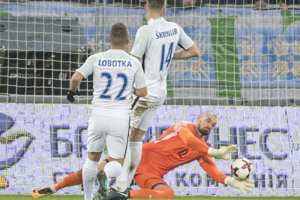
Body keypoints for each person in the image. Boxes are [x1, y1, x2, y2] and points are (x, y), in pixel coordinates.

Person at [31, 112, 254, 199]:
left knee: (168, 194)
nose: (210, 126)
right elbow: (188, 141)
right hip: (136, 156)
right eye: (208, 121)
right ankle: (54, 188)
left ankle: (124, 195)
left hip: (150, 174)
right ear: (199, 119)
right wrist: (214, 151)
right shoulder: (183, 126)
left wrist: (230, 180)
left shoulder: (201, 150)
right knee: (95, 170)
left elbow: (212, 170)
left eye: (213, 125)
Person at [110, 0, 201, 198]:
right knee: (135, 139)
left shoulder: (145, 31)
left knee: (121, 137)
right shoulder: (174, 28)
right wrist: (169, 57)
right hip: (160, 93)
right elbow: (194, 51)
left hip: (144, 93)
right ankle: (125, 184)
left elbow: (134, 62)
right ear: (164, 9)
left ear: (146, 7)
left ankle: (120, 187)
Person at [63, 22, 147, 200]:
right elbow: (142, 92)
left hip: (98, 115)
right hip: (120, 117)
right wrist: (128, 90)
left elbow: (76, 77)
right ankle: (105, 176)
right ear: (127, 41)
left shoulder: (97, 58)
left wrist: (72, 91)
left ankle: (87, 198)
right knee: (117, 162)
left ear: (109, 39)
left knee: (92, 158)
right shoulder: (134, 62)